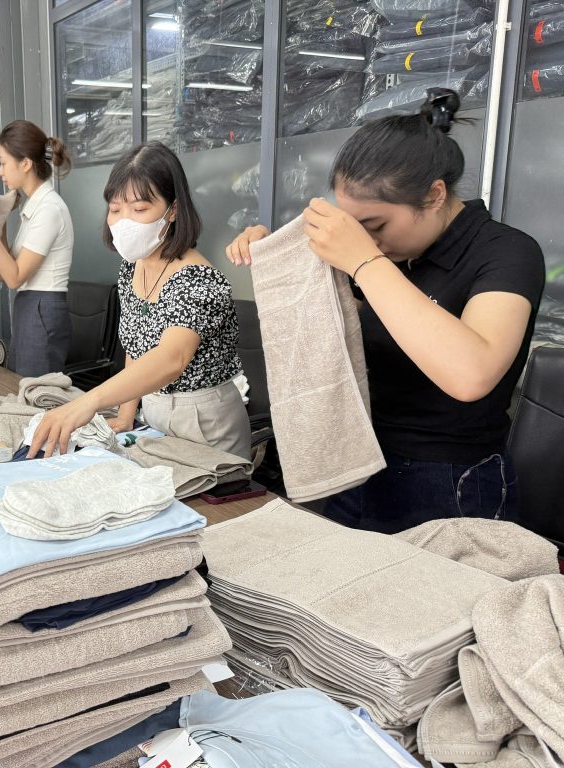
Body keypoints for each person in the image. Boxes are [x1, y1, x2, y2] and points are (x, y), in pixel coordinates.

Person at [225, 89, 545, 533]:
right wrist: (277, 254)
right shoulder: (389, 254)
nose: (369, 239)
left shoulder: (507, 252)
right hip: (358, 459)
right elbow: (334, 317)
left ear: (434, 196)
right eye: (357, 227)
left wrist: (364, 260)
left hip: (450, 479)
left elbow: (472, 374)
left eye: (375, 225)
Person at [29, 142, 251, 460]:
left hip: (205, 424)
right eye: (115, 209)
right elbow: (137, 348)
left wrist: (87, 402)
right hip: (155, 415)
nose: (124, 222)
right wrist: (125, 413)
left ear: (173, 210)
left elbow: (170, 358)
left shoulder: (198, 279)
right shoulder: (132, 268)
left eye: (140, 209)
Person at [0, 120, 74, 377]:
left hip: (42, 307)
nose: (0, 172)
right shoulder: (34, 207)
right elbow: (3, 272)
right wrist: (0, 221)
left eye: (3, 162)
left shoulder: (49, 209)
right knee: (20, 387)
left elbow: (14, 277)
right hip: (29, 306)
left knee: (36, 393)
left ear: (26, 163)